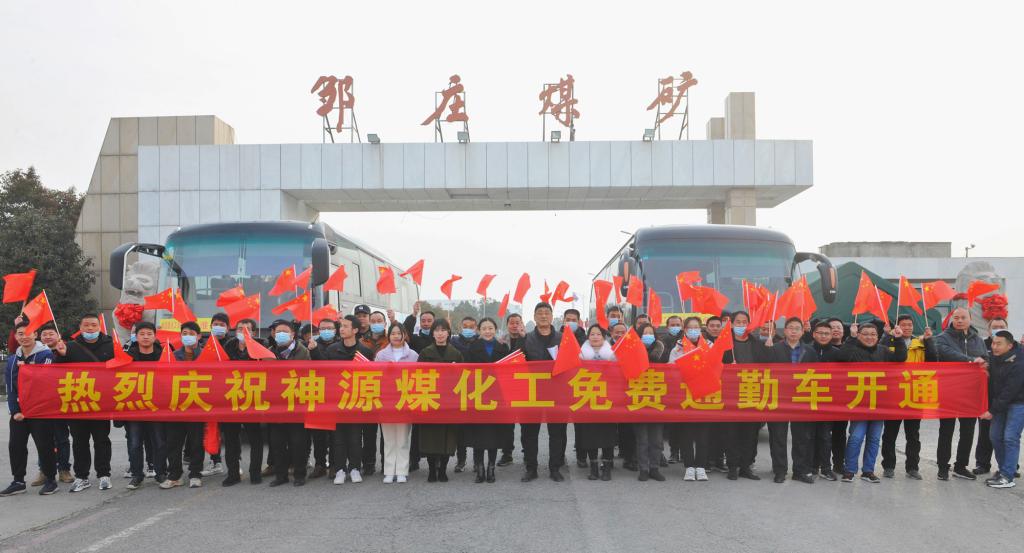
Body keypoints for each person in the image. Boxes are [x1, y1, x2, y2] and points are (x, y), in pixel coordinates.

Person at [837, 320, 907, 483]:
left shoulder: (883, 351)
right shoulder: (852, 349)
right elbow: (842, 358)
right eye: (865, 334)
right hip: (859, 402)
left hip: (879, 403)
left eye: (873, 334)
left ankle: (868, 471)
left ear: (878, 336)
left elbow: (900, 358)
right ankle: (850, 470)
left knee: (874, 439)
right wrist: (851, 338)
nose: (869, 337)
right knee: (856, 437)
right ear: (859, 335)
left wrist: (898, 339)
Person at [1, 320, 58, 497]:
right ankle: (18, 481)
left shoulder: (46, 355)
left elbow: (45, 381)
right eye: (20, 334)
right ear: (16, 336)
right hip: (19, 412)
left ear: (35, 335)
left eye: (28, 333)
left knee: (45, 446)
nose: (24, 337)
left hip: (40, 410)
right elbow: (10, 388)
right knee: (16, 446)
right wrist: (15, 410)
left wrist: (28, 369)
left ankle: (50, 480)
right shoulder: (13, 359)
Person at [934, 307, 989, 481]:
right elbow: (946, 353)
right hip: (949, 391)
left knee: (968, 431)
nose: (959, 320)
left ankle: (961, 466)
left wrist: (985, 365)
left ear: (970, 319)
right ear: (952, 319)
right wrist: (970, 361)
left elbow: (984, 358)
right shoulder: (942, 338)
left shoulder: (977, 340)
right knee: (946, 430)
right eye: (956, 317)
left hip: (970, 393)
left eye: (963, 317)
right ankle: (943, 467)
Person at [62, 314, 114, 493]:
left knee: (102, 440)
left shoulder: (110, 345)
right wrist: (60, 355)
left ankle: (104, 474)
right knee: (79, 441)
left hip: (101, 402)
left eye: (93, 325)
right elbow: (56, 371)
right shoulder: (70, 347)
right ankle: (82, 476)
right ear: (80, 327)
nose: (90, 328)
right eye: (86, 325)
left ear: (99, 327)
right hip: (77, 401)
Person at [880, 315, 935, 481]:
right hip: (893, 395)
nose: (907, 327)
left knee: (913, 435)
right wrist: (887, 335)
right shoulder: (889, 342)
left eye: (910, 325)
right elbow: (881, 357)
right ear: (897, 327)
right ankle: (888, 466)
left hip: (914, 394)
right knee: (890, 434)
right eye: (903, 325)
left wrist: (929, 341)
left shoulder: (921, 343)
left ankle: (912, 467)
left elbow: (933, 361)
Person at [521, 302, 567, 482]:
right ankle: (531, 468)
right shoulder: (526, 339)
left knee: (557, 433)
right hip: (532, 392)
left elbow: (572, 362)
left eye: (547, 312)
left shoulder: (563, 338)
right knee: (529, 433)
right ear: (534, 317)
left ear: (552, 316)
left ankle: (555, 468)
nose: (543, 316)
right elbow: (517, 363)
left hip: (557, 392)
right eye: (539, 313)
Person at [720, 311, 769, 481]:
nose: (741, 325)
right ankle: (732, 466)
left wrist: (770, 349)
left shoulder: (758, 344)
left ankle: (746, 466)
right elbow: (714, 366)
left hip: (752, 393)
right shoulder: (725, 345)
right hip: (731, 395)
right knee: (731, 432)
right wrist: (726, 365)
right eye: (738, 322)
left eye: (744, 322)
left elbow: (767, 367)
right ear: (732, 324)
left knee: (751, 433)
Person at [36, 322, 87, 485]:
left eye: (51, 333)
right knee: (44, 439)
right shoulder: (36, 354)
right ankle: (44, 470)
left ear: (58, 336)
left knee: (61, 438)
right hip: (42, 403)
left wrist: (64, 355)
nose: (48, 337)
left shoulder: (68, 350)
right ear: (39, 337)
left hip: (62, 401)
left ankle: (64, 469)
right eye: (44, 334)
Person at [326, 315, 374, 485]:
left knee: (355, 437)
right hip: (337, 400)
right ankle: (340, 469)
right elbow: (324, 374)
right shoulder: (332, 350)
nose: (342, 329)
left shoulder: (365, 352)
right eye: (341, 326)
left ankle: (354, 468)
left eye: (346, 326)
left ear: (355, 330)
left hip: (356, 400)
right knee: (338, 438)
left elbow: (371, 377)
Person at [791, 321, 839, 483]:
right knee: (808, 436)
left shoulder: (837, 353)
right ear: (813, 334)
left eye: (827, 333)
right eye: (820, 333)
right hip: (806, 400)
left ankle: (826, 468)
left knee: (825, 437)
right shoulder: (805, 351)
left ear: (832, 335)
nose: (823, 336)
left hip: (827, 402)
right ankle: (810, 467)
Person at [162, 321, 208, 489]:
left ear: (199, 336)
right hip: (176, 405)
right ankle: (175, 475)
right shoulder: (172, 356)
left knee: (196, 442)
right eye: (184, 334)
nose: (188, 337)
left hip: (197, 404)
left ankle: (195, 474)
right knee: (173, 442)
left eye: (191, 334)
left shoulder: (206, 356)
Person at [220, 318, 265, 486]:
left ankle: (255, 472)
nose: (243, 331)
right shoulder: (228, 347)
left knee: (255, 439)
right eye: (240, 328)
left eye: (247, 329)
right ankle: (232, 473)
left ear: (253, 332)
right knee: (231, 439)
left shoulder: (261, 348)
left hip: (252, 398)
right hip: (231, 398)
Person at [123, 322, 168, 490]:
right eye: (142, 334)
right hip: (134, 406)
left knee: (159, 442)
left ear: (155, 336)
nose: (146, 337)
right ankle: (137, 475)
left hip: (157, 406)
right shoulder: (127, 356)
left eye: (149, 334)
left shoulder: (164, 355)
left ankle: (161, 472)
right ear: (136, 337)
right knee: (134, 443)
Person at [267, 319, 311, 487]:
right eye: (278, 332)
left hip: (296, 403)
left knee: (298, 442)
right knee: (277, 443)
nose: (281, 334)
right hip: (276, 404)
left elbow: (308, 374)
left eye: (285, 331)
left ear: (293, 334)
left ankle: (299, 474)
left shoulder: (303, 351)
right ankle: (281, 475)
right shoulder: (268, 353)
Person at [418, 318, 463, 482]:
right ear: (432, 333)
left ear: (448, 333)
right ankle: (431, 469)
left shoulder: (456, 354)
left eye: (443, 330)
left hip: (449, 400)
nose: (440, 333)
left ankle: (443, 469)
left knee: (448, 436)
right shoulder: (425, 353)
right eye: (437, 330)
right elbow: (418, 376)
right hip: (430, 398)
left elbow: (463, 378)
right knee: (430, 437)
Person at [464, 318, 509, 483]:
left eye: (490, 328)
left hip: (497, 396)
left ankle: (491, 467)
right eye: (484, 328)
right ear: (479, 330)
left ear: (495, 330)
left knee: (493, 435)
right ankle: (479, 467)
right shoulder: (472, 347)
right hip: (478, 395)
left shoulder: (503, 348)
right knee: (478, 434)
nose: (488, 331)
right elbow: (466, 371)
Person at [763, 317, 807, 483]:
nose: (794, 331)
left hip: (801, 399)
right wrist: (766, 352)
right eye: (790, 328)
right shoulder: (774, 349)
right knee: (778, 437)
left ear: (802, 332)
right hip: (778, 398)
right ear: (785, 330)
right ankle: (780, 470)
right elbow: (764, 371)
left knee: (801, 437)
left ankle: (799, 471)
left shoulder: (809, 351)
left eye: (797, 328)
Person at [669, 317, 712, 481]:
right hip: (685, 395)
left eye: (696, 327)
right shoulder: (677, 348)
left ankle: (701, 466)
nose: (693, 330)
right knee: (686, 433)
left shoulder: (709, 346)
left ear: (701, 329)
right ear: (685, 330)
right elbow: (671, 370)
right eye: (690, 327)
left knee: (703, 434)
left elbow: (716, 366)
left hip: (704, 395)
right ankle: (689, 466)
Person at [980, 330, 1024, 489]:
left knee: (1010, 437)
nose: (994, 347)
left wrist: (991, 411)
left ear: (1010, 345)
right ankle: (1004, 470)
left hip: (1018, 403)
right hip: (1000, 403)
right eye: (993, 343)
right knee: (995, 436)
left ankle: (1007, 476)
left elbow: (1010, 390)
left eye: (999, 344)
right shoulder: (994, 357)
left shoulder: (1019, 361)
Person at [375, 323, 418, 483]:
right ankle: (389, 471)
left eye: (399, 333)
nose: (396, 336)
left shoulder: (413, 355)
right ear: (389, 336)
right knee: (388, 439)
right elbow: (374, 377)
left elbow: (418, 377)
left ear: (404, 335)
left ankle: (401, 471)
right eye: (393, 333)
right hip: (386, 401)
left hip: (405, 401)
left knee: (403, 439)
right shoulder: (381, 355)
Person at [578, 324, 618, 481]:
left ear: (604, 337)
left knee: (608, 435)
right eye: (592, 334)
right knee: (590, 435)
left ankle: (607, 467)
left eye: (598, 334)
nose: (595, 337)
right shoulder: (580, 354)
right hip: (588, 399)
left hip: (608, 400)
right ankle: (593, 467)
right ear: (588, 337)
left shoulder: (613, 354)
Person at [305, 317, 340, 479]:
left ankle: (334, 464)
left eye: (329, 328)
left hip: (335, 394)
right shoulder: (311, 345)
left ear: (335, 330)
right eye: (323, 328)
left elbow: (328, 366)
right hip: (316, 393)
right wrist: (312, 350)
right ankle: (319, 464)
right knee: (318, 433)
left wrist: (315, 352)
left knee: (334, 435)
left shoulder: (339, 345)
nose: (326, 331)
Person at [974, 317, 1009, 476]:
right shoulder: (981, 345)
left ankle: (1009, 465)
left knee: (1008, 435)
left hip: (1007, 397)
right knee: (985, 433)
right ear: (989, 330)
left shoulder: (1014, 346)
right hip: (985, 396)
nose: (998, 329)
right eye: (994, 327)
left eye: (1001, 326)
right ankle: (982, 464)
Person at [448, 316, 479, 472]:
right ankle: (461, 460)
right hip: (458, 389)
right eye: (465, 326)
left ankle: (477, 462)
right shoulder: (453, 342)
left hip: (477, 389)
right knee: (460, 428)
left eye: (471, 326)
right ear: (461, 327)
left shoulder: (480, 342)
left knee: (476, 427)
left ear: (476, 328)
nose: (468, 329)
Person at [636, 323, 666, 482]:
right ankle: (643, 469)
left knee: (657, 439)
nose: (648, 335)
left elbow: (667, 367)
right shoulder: (634, 349)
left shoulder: (661, 348)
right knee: (643, 439)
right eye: (645, 333)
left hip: (657, 397)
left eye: (650, 333)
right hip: (639, 397)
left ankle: (654, 468)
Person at [497, 312, 527, 467]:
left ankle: (528, 452)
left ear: (522, 324)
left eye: (518, 322)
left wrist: (523, 338)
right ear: (507, 325)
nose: (515, 325)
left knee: (526, 423)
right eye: (512, 323)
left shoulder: (529, 339)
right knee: (507, 424)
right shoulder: (500, 341)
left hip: (525, 386)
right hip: (505, 386)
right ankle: (507, 453)